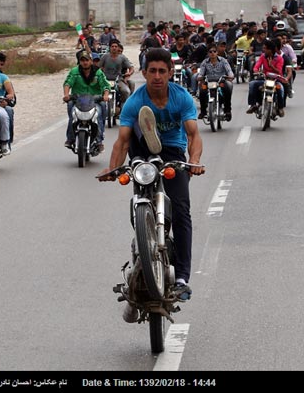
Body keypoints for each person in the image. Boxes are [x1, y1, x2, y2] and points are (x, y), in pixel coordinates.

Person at [97, 48, 205, 309]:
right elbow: (122, 141)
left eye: (162, 71)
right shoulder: (135, 101)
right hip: (141, 152)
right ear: (144, 73)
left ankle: (181, 277)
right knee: (139, 203)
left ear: (170, 73)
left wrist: (195, 162)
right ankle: (143, 248)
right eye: (152, 71)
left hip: (173, 153)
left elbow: (193, 135)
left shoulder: (182, 98)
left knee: (181, 211)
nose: (157, 76)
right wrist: (112, 169)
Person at [63, 51, 110, 150]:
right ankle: (70, 139)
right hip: (78, 99)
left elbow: (105, 85)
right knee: (72, 114)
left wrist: (105, 95)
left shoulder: (98, 72)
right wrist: (66, 95)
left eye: (87, 60)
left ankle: (99, 141)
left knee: (100, 113)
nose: (85, 62)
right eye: (82, 60)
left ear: (91, 61)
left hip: (95, 100)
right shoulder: (74, 72)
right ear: (79, 62)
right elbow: (67, 83)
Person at [245, 39, 286, 118]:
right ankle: (252, 105)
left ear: (270, 49)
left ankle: (280, 108)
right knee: (252, 84)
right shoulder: (263, 56)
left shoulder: (279, 59)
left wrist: (271, 66)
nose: (263, 50)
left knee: (280, 89)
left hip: (275, 80)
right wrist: (256, 71)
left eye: (265, 49)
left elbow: (279, 72)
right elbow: (257, 66)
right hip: (264, 78)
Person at [197, 43, 234, 121]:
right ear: (208, 53)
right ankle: (203, 111)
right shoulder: (205, 62)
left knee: (227, 89)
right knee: (202, 91)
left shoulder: (223, 61)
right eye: (210, 52)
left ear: (217, 52)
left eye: (214, 51)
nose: (212, 53)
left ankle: (228, 110)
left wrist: (230, 76)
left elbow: (229, 70)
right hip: (208, 82)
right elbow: (201, 73)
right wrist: (199, 77)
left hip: (221, 81)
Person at [98, 39, 135, 114]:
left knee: (126, 91)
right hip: (105, 79)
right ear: (109, 48)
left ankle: (123, 109)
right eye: (112, 46)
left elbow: (131, 68)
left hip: (118, 80)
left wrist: (129, 73)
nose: (114, 48)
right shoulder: (105, 57)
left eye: (116, 46)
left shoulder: (122, 58)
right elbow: (98, 67)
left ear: (118, 48)